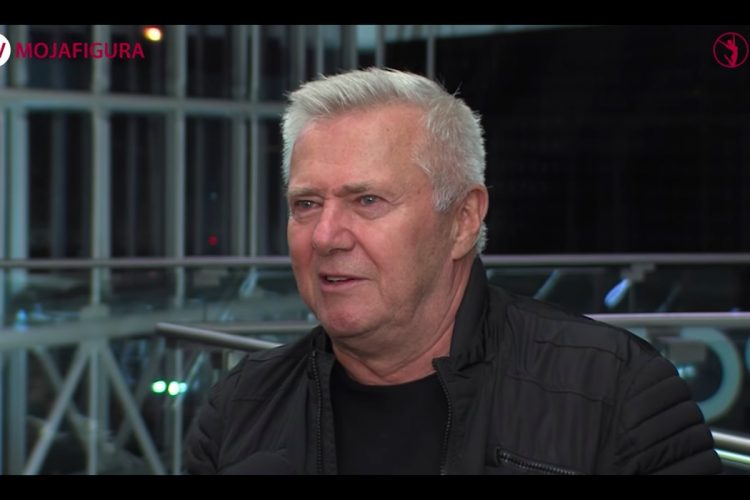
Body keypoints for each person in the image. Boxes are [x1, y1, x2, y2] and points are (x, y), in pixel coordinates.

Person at [185, 67, 721, 475]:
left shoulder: (615, 393)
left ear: (463, 220)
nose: (326, 236)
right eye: (306, 204)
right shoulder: (238, 409)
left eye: (367, 200)